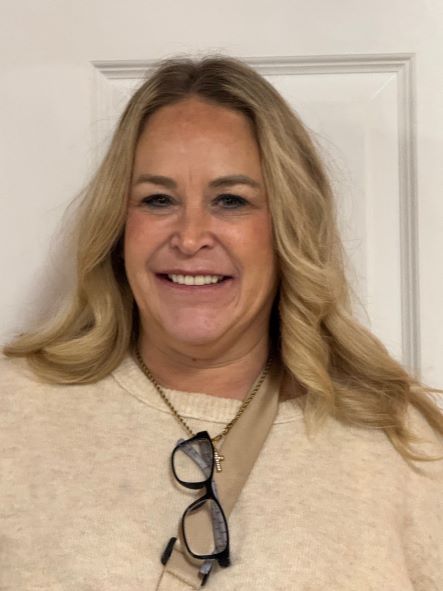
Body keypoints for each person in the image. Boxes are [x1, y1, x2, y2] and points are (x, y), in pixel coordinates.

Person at [1, 55, 442, 591]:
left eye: (231, 201)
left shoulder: (409, 448)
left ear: (289, 226)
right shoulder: (13, 413)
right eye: (158, 199)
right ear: (118, 225)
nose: (190, 238)